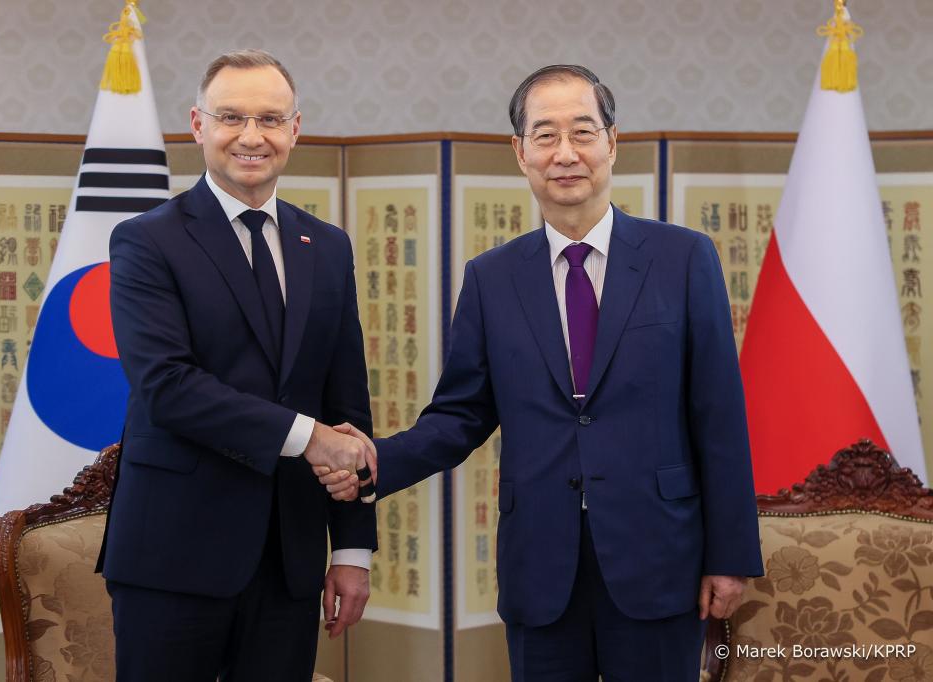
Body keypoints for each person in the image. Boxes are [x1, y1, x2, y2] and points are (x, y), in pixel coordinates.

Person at [321, 65, 763, 681]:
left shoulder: (683, 258)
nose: (566, 153)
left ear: (612, 142)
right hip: (541, 562)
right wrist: (376, 462)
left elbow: (718, 414)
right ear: (520, 152)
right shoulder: (492, 278)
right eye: (546, 135)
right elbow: (460, 415)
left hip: (660, 556)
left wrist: (730, 555)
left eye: (583, 132)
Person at [97, 49, 376, 682]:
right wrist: (308, 438)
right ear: (198, 125)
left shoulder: (327, 247)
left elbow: (346, 405)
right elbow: (167, 386)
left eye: (270, 119)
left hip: (289, 558)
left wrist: (352, 546)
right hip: (172, 555)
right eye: (231, 117)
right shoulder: (147, 240)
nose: (252, 136)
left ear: (295, 130)